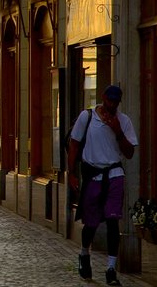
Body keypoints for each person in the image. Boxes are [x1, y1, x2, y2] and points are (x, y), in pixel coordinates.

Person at [66, 85, 138, 286]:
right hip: (93, 175)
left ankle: (111, 268)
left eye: (116, 102)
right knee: (91, 222)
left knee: (114, 221)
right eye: (110, 100)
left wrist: (118, 131)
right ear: (104, 98)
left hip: (115, 174)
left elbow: (130, 152)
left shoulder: (124, 121)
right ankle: (84, 253)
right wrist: (71, 173)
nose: (112, 105)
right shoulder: (87, 117)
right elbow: (74, 144)